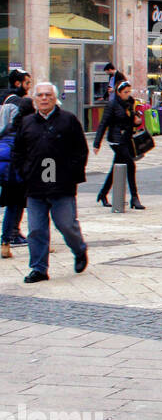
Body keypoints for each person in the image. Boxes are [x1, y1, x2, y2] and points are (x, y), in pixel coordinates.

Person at [10, 82, 88, 283]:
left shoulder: (68, 120)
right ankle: (39, 268)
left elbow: (80, 151)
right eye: (40, 95)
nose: (44, 98)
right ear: (34, 99)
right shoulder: (27, 123)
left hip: (61, 185)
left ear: (54, 98)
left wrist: (72, 174)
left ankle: (79, 250)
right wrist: (24, 173)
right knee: (36, 229)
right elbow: (18, 151)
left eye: (48, 95)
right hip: (35, 185)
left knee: (66, 225)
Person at [93, 80, 146, 210]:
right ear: (118, 92)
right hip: (116, 139)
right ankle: (134, 197)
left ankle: (103, 193)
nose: (127, 94)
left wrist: (137, 121)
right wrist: (97, 143)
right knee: (130, 164)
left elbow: (132, 121)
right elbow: (103, 124)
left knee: (116, 167)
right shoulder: (112, 104)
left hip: (127, 138)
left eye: (129, 91)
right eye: (125, 92)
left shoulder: (130, 103)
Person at [0, 68, 33, 257]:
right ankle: (13, 234)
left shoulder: (5, 101)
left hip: (7, 167)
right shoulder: (16, 105)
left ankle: (10, 235)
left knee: (13, 202)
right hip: (17, 168)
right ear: (18, 83)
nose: (29, 86)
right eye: (27, 83)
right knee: (18, 203)